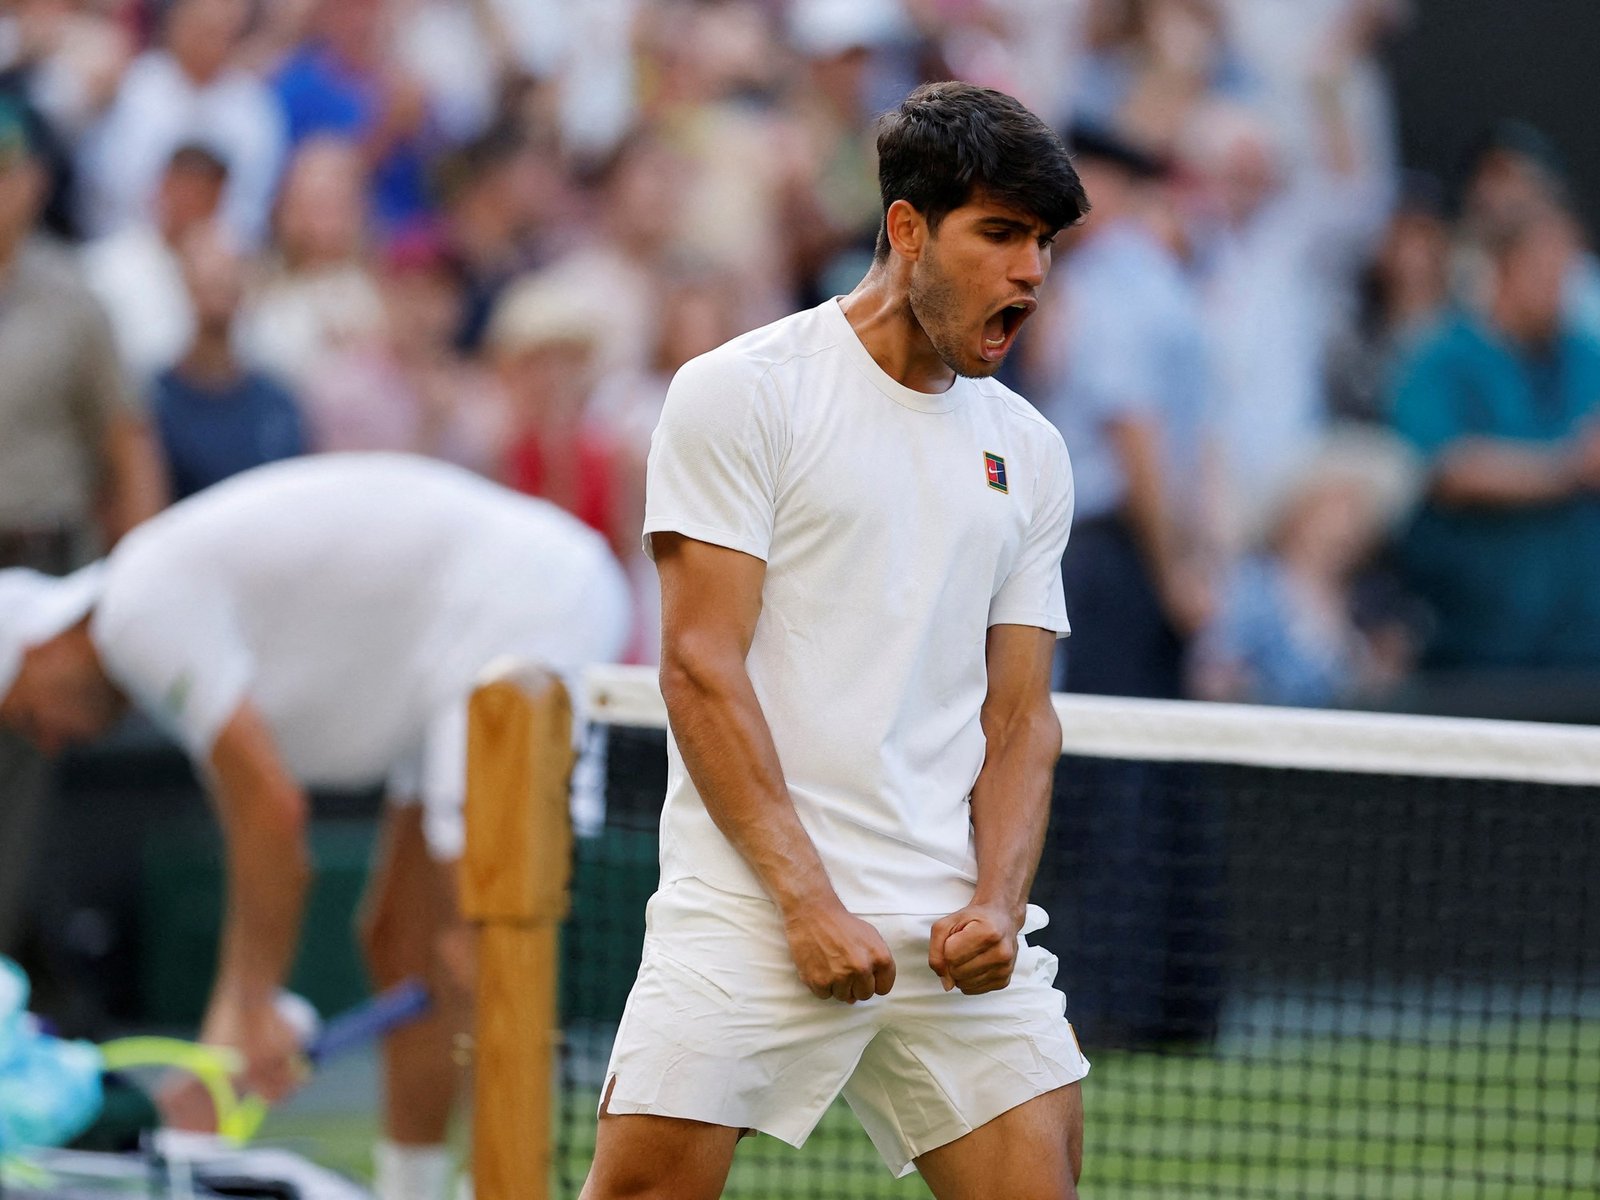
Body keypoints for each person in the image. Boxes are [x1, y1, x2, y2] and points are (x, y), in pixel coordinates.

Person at [582, 82, 1091, 1200]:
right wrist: (808, 904)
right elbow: (697, 668)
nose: (1030, 273)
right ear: (906, 229)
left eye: (1042, 244)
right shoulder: (739, 394)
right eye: (1000, 234)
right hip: (752, 909)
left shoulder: (1033, 452)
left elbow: (1020, 718)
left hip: (955, 924)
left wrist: (999, 903)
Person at [0, 454, 631, 1200]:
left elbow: (271, 816)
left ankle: (507, 1186)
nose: (46, 739)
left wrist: (245, 1014)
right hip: (448, 640)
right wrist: (245, 1016)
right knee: (399, 939)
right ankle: (413, 1188)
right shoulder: (149, 620)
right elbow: (266, 822)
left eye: (25, 714)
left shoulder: (134, 612)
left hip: (528, 601)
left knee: (484, 940)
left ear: (34, 650)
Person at [0, 93, 164, 964]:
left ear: (32, 182)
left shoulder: (72, 299)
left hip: (40, 571)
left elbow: (124, 446)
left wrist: (138, 581)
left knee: (17, 817)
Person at [1389, 203, 1600, 670]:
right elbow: (1450, 467)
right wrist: (1569, 466)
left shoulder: (1588, 355)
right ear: (1504, 267)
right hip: (1477, 648)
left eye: (1567, 269)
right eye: (1545, 268)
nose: (1559, 285)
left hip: (1585, 646)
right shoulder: (1440, 359)